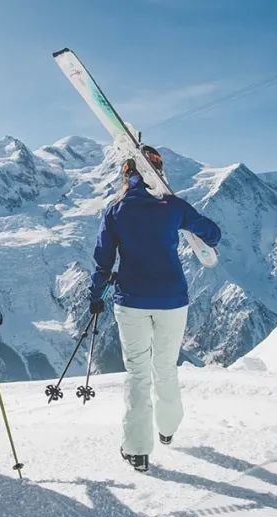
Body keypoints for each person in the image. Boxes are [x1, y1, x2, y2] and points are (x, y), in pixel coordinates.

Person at [88, 145, 221, 472]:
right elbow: (213, 235)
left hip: (131, 300)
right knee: (165, 366)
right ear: (158, 172)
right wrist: (185, 220)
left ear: (127, 175)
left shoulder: (115, 210)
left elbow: (103, 261)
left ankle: (137, 450)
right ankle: (168, 429)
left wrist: (96, 296)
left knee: (137, 373)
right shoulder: (173, 206)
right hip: (173, 300)